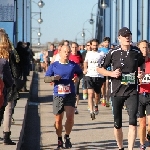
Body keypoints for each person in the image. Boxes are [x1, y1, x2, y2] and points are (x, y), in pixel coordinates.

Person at [96, 27, 145, 150]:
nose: (127, 37)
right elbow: (99, 68)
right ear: (119, 38)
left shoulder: (136, 51)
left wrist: (141, 73)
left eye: (129, 35)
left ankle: (130, 148)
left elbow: (142, 63)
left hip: (132, 91)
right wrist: (111, 74)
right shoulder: (113, 52)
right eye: (124, 36)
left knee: (133, 121)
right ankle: (120, 147)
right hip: (117, 91)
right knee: (117, 124)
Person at [45, 45, 82, 149]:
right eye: (64, 51)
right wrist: (53, 78)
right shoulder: (54, 65)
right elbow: (46, 79)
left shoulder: (73, 65)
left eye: (68, 52)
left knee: (70, 118)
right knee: (58, 120)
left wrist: (77, 78)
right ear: (59, 52)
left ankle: (67, 136)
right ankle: (59, 139)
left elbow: (80, 74)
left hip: (70, 94)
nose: (66, 53)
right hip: (58, 95)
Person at [83, 39, 105, 120]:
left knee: (97, 95)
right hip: (89, 75)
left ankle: (96, 105)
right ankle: (91, 111)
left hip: (98, 76)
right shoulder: (88, 53)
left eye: (96, 45)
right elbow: (85, 62)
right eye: (93, 45)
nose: (95, 47)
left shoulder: (102, 53)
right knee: (90, 94)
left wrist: (103, 69)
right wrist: (85, 69)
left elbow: (105, 63)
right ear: (91, 45)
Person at [137, 40, 149, 150]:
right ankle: (142, 144)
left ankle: (148, 136)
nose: (144, 50)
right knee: (142, 123)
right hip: (139, 95)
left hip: (149, 94)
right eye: (142, 48)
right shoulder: (135, 63)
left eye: (146, 47)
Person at [69, 42, 83, 114]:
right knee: (69, 92)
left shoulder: (79, 56)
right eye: (73, 47)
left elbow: (82, 65)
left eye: (75, 47)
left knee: (76, 92)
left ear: (77, 48)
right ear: (71, 48)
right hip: (68, 77)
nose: (74, 49)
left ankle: (75, 107)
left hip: (76, 77)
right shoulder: (68, 55)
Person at [98, 37, 111, 107]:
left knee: (108, 85)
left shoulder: (111, 50)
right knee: (103, 86)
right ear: (103, 42)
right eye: (105, 42)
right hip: (102, 69)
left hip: (109, 69)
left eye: (108, 42)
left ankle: (108, 100)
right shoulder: (100, 50)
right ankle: (103, 97)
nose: (107, 43)